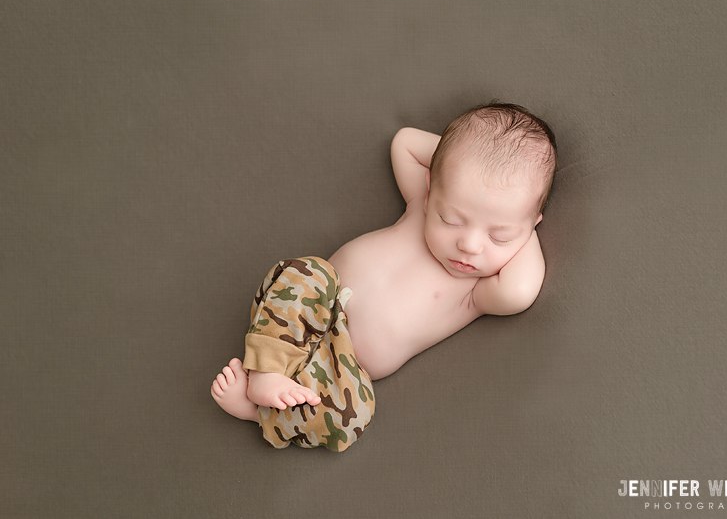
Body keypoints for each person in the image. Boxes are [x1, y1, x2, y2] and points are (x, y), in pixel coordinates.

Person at [210, 102, 557, 451]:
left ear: (529, 229)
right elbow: (405, 142)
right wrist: (462, 162)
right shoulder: (423, 199)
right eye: (452, 219)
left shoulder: (477, 289)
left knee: (352, 414)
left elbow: (521, 292)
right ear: (431, 186)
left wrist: (523, 221)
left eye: (499, 236)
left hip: (341, 366)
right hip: (313, 304)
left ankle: (260, 414)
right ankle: (266, 371)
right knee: (304, 272)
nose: (468, 245)